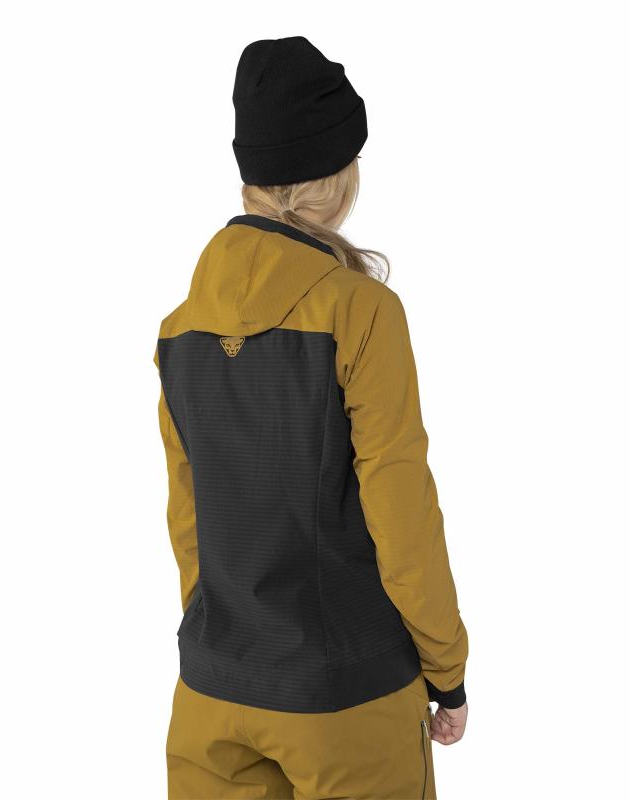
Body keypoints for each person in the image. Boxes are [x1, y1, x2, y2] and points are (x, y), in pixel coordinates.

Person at [154, 35, 469, 800]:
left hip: (211, 699)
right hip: (345, 699)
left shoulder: (179, 331)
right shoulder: (361, 312)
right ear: (335, 173)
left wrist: (230, 638)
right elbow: (401, 513)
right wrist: (447, 669)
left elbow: (189, 522)